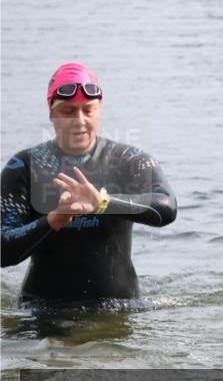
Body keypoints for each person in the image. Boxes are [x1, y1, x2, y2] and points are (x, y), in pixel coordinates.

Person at [1, 62, 177, 307]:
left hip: (118, 310)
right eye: (68, 111)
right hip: (43, 313)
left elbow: (167, 208)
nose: (79, 120)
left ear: (99, 110)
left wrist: (103, 202)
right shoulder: (24, 166)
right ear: (51, 113)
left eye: (88, 110)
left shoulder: (128, 160)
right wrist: (52, 221)